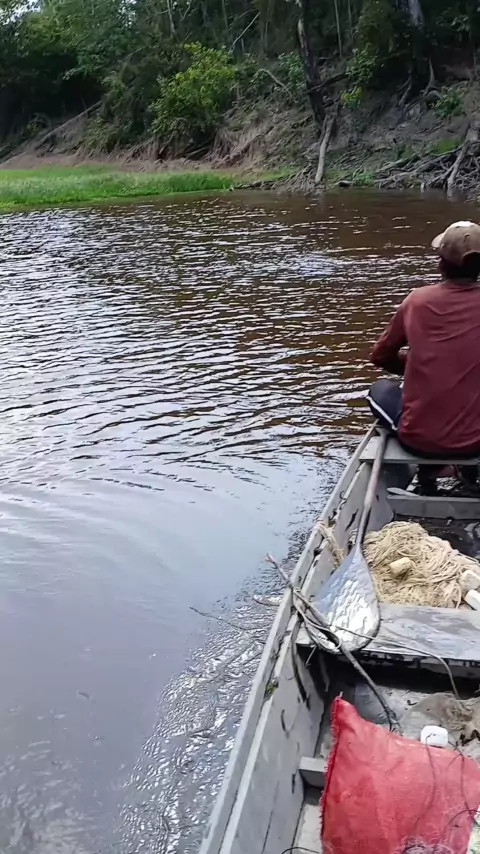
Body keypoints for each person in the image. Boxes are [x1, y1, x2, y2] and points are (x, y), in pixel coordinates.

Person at [368, 220, 480, 494]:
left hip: (419, 441)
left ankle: (430, 473)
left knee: (379, 390)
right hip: (476, 443)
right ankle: (465, 472)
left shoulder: (416, 301)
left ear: (441, 264)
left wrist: (414, 367)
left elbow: (380, 356)